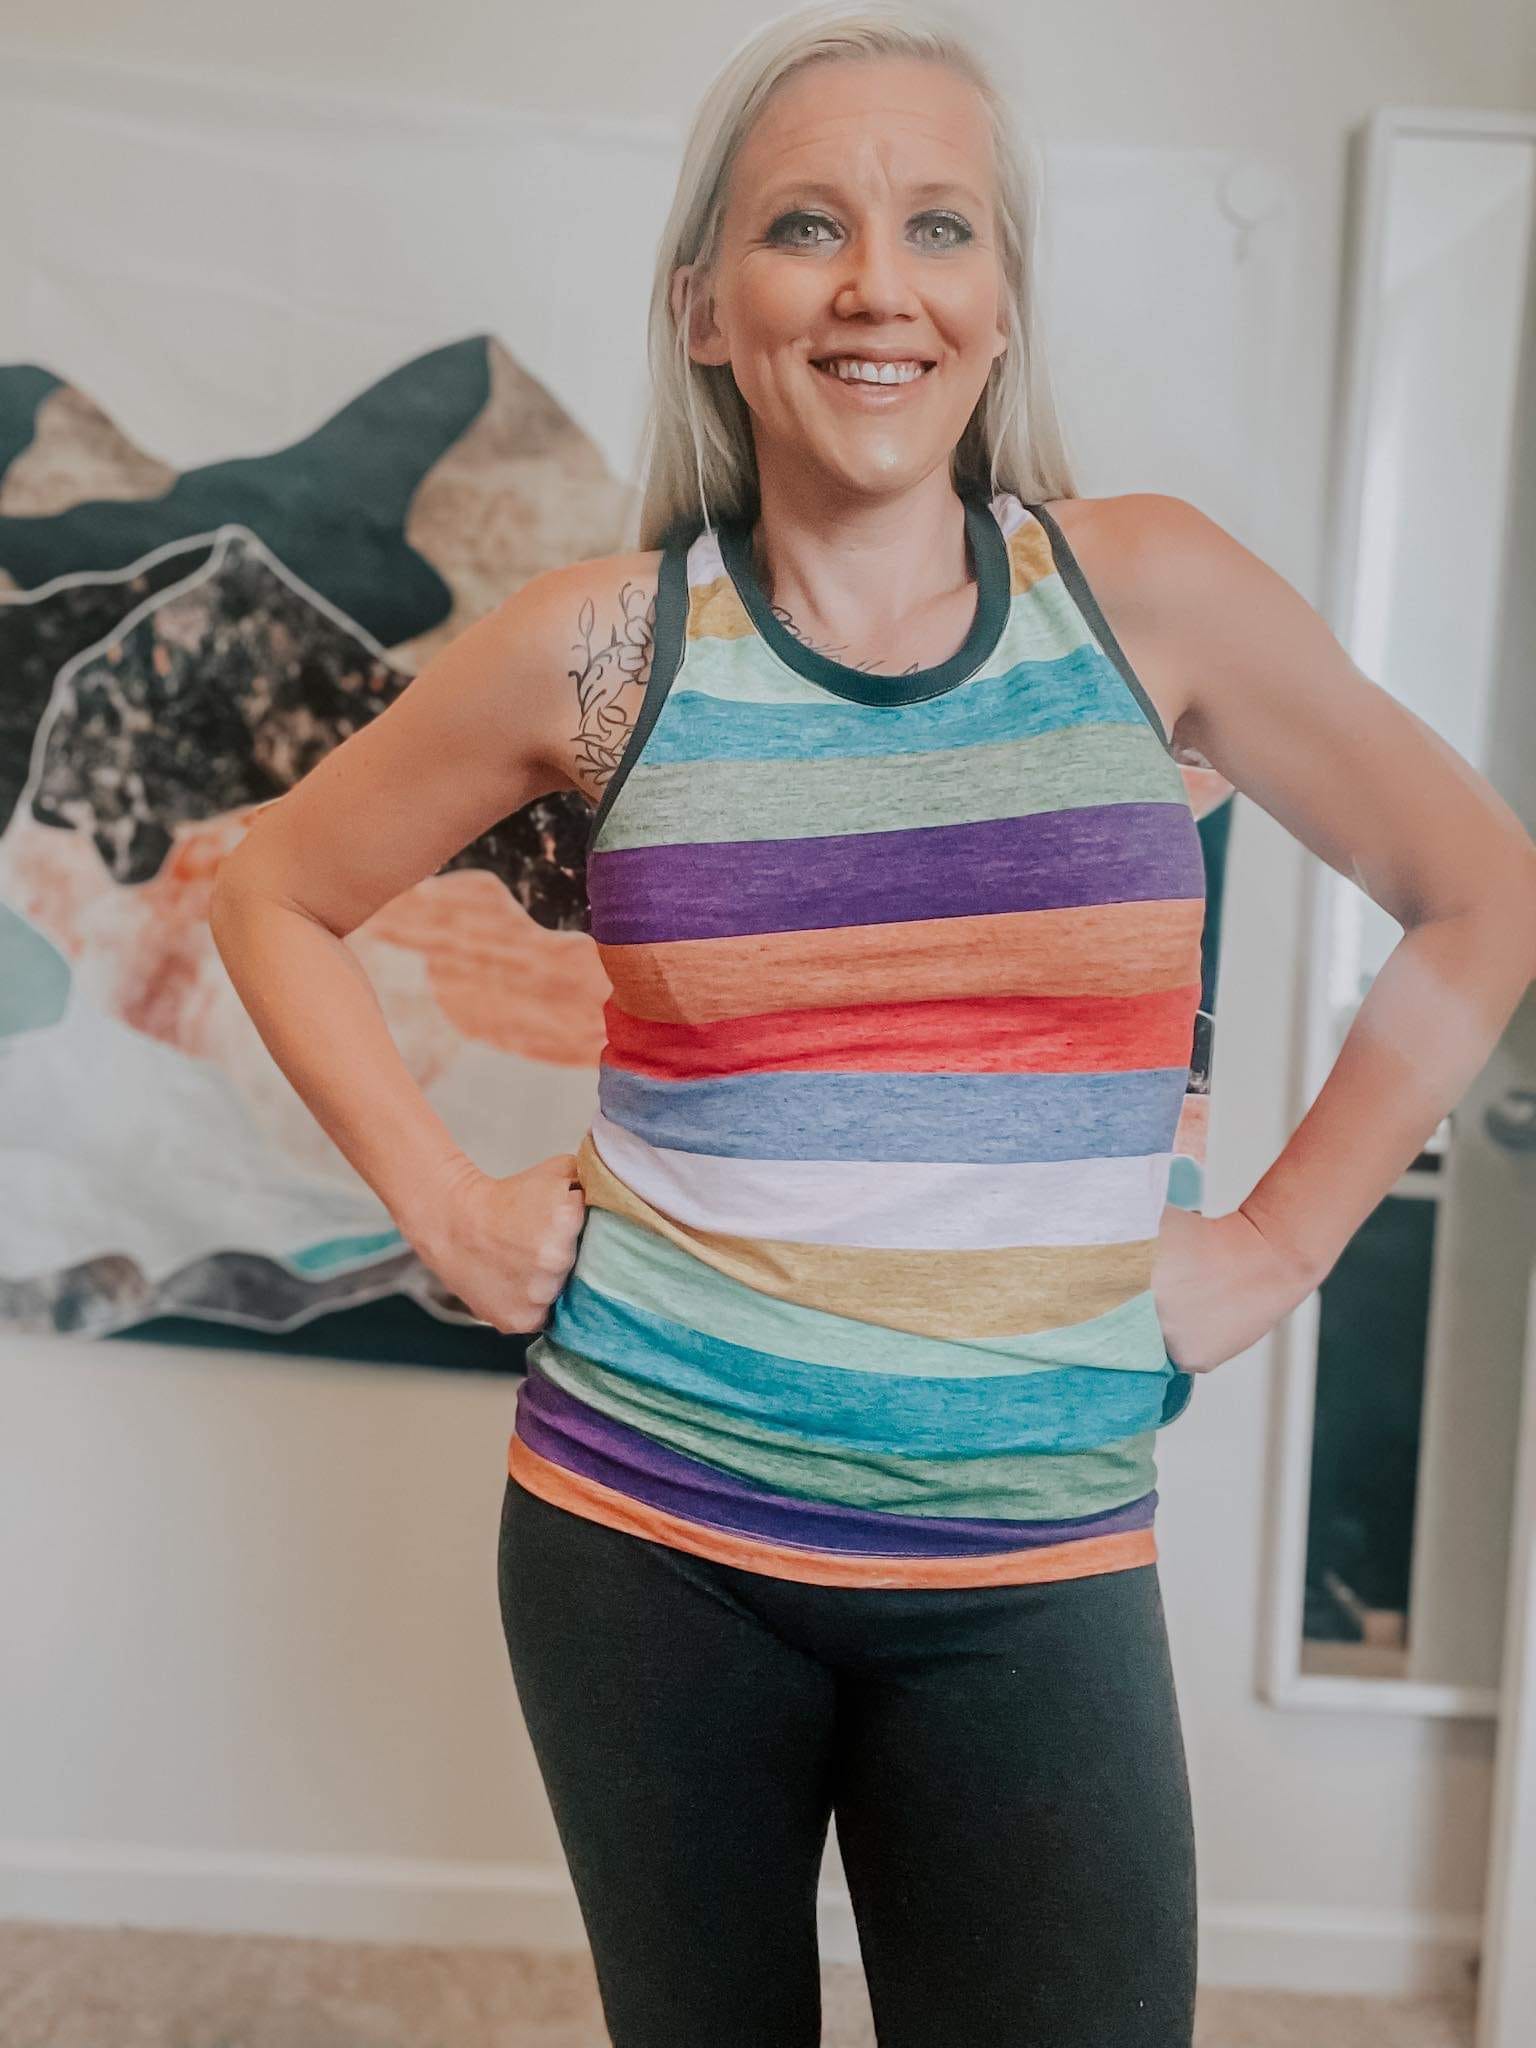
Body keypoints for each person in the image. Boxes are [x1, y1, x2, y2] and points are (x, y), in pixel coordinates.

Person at [208, 4, 1536, 2043]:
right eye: (805, 226)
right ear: (705, 309)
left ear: (1002, 302)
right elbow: (274, 889)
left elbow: (1483, 889)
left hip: (1035, 1558)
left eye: (939, 228)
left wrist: (1281, 1243)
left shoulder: (1150, 598)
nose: (875, 285)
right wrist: (449, 1213)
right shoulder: (601, 650)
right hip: (646, 1540)